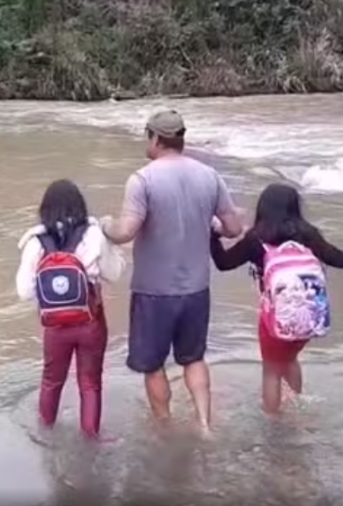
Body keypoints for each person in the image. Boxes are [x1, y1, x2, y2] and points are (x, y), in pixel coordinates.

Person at [102, 110, 244, 432]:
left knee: (153, 366)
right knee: (194, 359)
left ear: (154, 137)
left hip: (154, 292)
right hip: (196, 290)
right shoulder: (210, 176)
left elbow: (126, 231)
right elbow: (233, 228)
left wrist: (104, 225)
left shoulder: (142, 179)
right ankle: (205, 425)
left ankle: (165, 429)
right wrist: (212, 225)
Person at [210, 183, 343, 414]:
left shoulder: (257, 238)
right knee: (290, 359)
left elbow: (223, 263)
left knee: (272, 369)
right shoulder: (309, 235)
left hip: (275, 318)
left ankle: (273, 419)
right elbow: (341, 260)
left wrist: (212, 235)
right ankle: (295, 406)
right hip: (309, 315)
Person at [15, 180, 127, 439]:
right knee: (90, 384)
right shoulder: (94, 233)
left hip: (55, 327)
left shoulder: (35, 241)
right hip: (90, 322)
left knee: (51, 381)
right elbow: (115, 273)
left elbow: (24, 292)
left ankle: (45, 435)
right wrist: (115, 249)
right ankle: (91, 439)